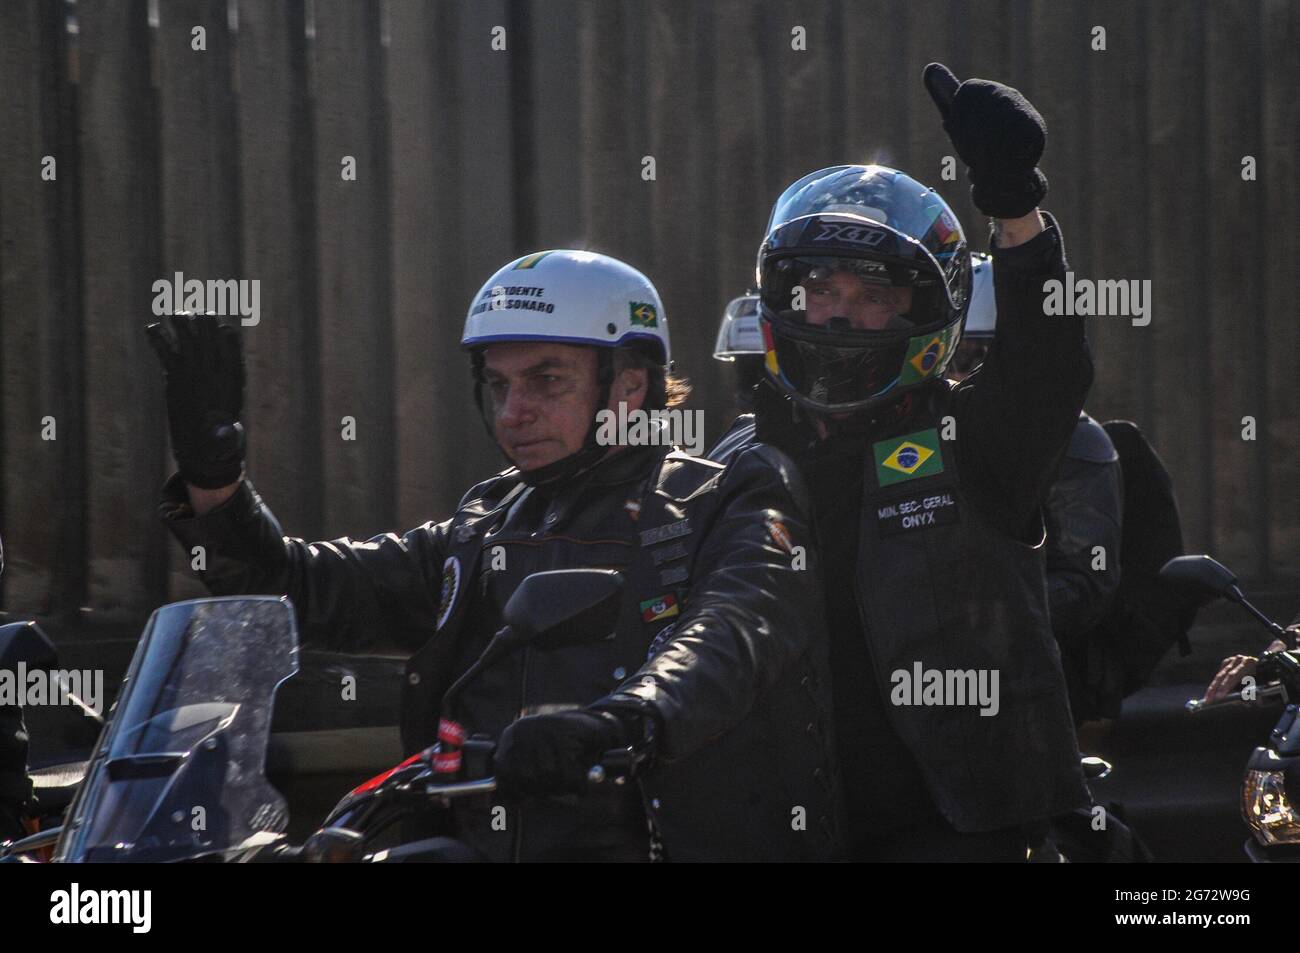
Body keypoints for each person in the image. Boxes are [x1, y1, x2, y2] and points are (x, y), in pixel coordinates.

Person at [146, 250, 839, 862]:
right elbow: (302, 591)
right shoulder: (489, 520)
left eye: (546, 381)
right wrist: (215, 481)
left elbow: (734, 629)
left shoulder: (719, 497)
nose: (513, 411)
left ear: (628, 386)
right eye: (499, 384)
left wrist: (623, 718)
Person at [712, 63, 1091, 860]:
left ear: (926, 313)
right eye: (820, 289)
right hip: (786, 831)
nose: (840, 313)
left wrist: (1016, 210)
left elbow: (1047, 366)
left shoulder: (977, 443)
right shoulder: (735, 467)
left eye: (873, 293)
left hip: (962, 829)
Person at [949, 280, 1125, 728]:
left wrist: (975, 614)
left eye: (973, 356)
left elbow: (1087, 582)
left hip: (1030, 686)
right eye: (948, 356)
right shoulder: (919, 434)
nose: (955, 374)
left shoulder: (1074, 439)